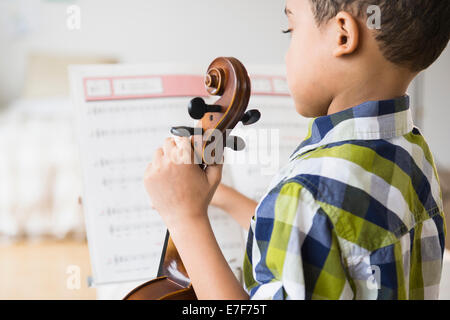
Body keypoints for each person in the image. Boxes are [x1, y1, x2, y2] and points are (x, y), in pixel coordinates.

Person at [143, 0, 449, 299]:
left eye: (290, 29)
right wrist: (223, 197)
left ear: (343, 36)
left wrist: (185, 218)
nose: (287, 54)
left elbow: (311, 216)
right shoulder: (414, 155)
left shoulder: (306, 196)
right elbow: (328, 240)